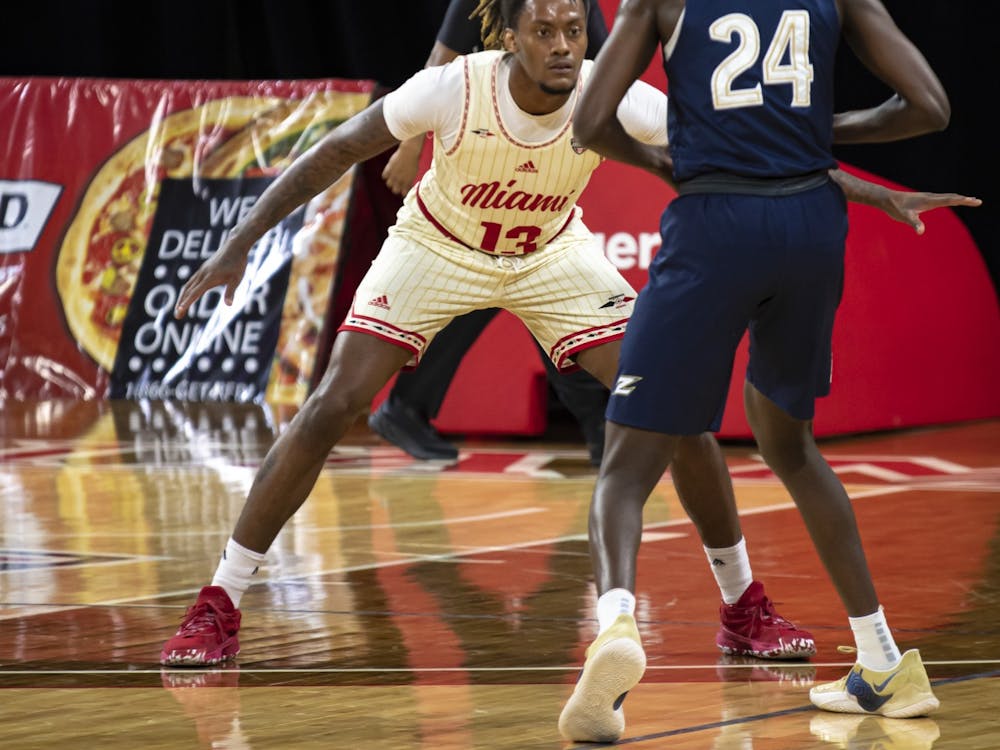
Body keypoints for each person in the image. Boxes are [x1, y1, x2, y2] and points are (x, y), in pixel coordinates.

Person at [158, 0, 977, 676]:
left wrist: (876, 197)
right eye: (543, 31)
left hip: (552, 254)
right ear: (508, 37)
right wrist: (238, 244)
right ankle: (219, 603)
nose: (560, 45)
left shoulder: (613, 94)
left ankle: (743, 608)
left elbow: (758, 153)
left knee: (677, 417)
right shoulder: (453, 88)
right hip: (436, 245)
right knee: (334, 402)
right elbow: (337, 149)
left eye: (573, 31)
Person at [557, 0, 982, 743]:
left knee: (627, 462)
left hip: (717, 222)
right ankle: (883, 660)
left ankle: (617, 628)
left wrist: (664, 160)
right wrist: (824, 135)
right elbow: (929, 108)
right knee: (790, 444)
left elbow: (592, 122)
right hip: (812, 226)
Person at [370, 0, 612, 465]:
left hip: (542, 150)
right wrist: (406, 148)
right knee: (527, 286)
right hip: (478, 154)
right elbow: (438, 62)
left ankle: (406, 406)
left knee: (531, 287)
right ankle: (599, 426)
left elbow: (603, 66)